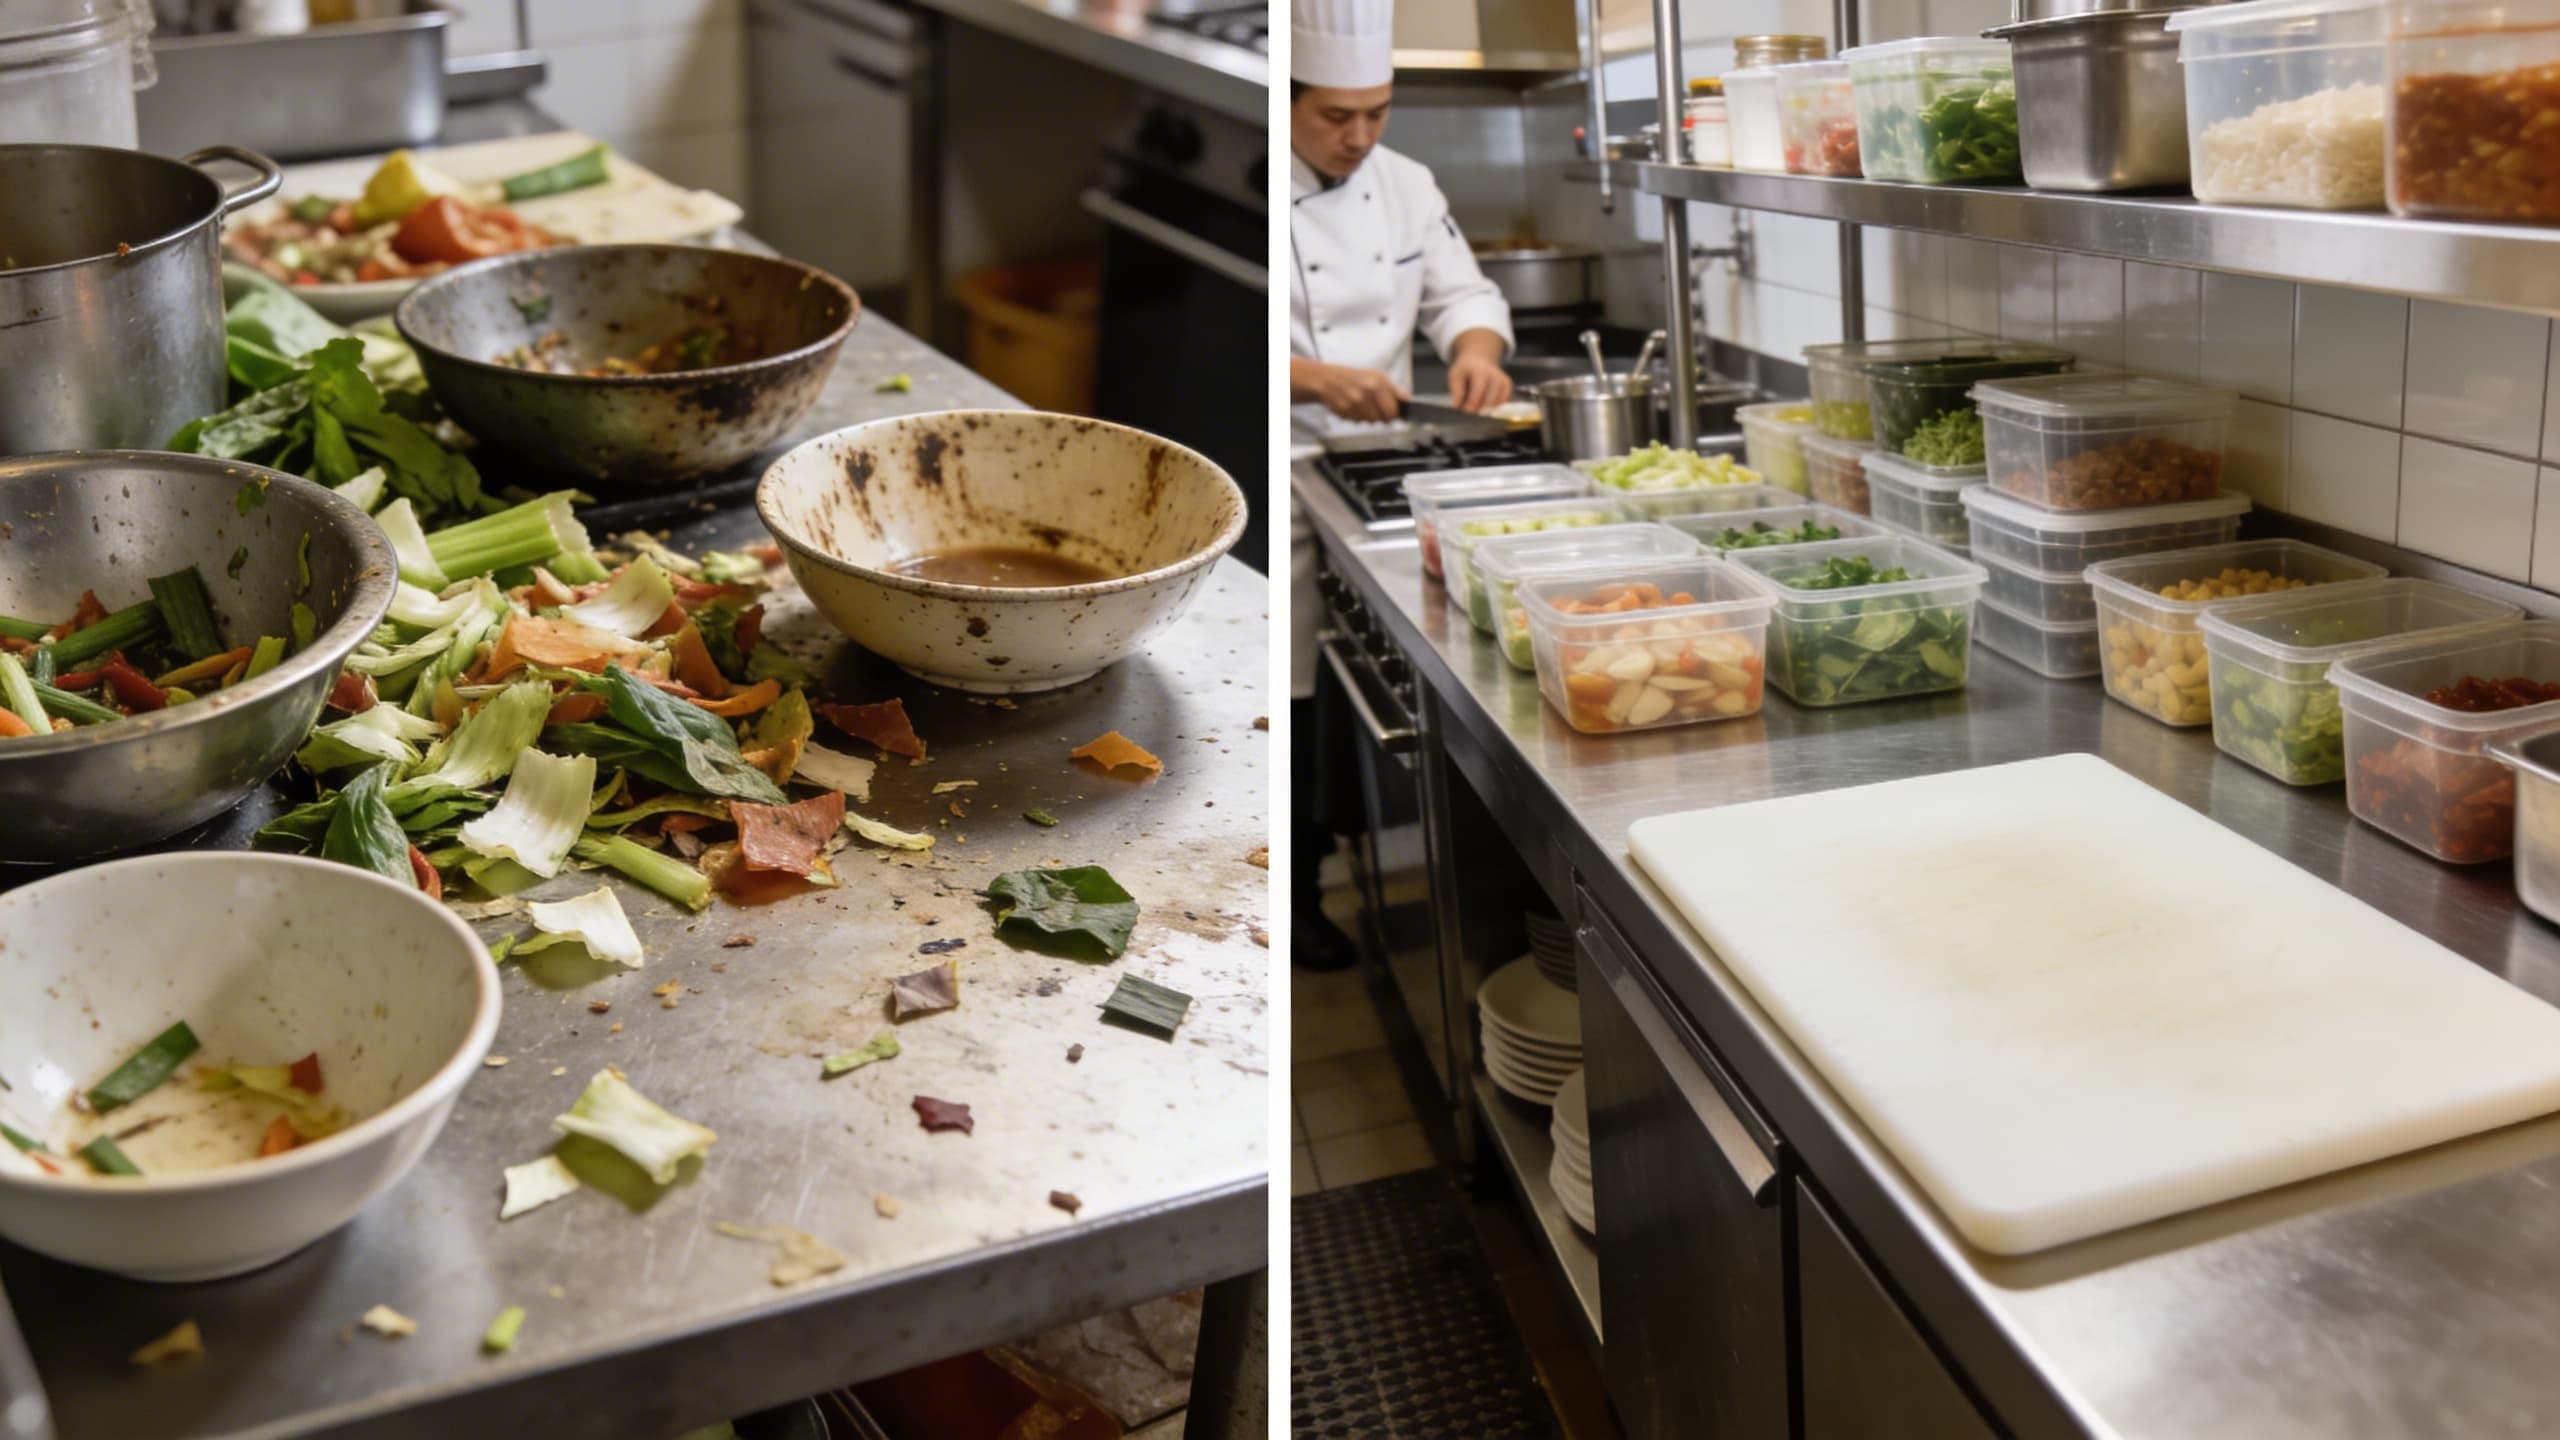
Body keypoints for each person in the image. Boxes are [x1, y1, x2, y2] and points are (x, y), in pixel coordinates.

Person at [1286, 0, 1516, 440]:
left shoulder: (1408, 184)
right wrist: (1320, 381)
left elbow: (1464, 298)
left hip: (1388, 446)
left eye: (1377, 113)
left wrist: (1478, 357)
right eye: (1336, 117)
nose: (1360, 139)